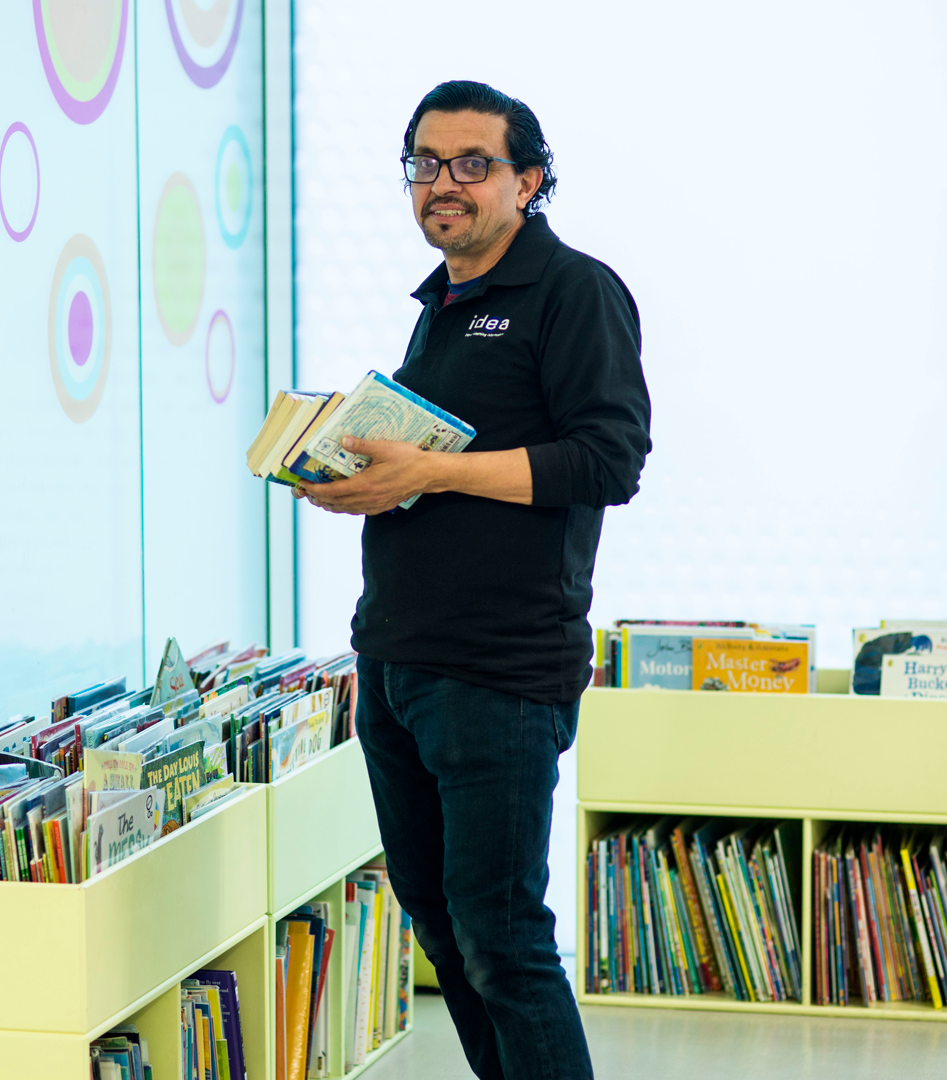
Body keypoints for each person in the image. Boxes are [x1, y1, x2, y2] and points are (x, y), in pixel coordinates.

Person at [297, 80, 651, 1080]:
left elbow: (607, 461)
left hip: (498, 675)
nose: (441, 185)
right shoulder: (443, 305)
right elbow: (440, 471)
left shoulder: (574, 292)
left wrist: (432, 471)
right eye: (423, 164)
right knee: (444, 931)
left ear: (529, 180)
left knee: (503, 940)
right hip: (400, 662)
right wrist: (365, 474)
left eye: (471, 165)